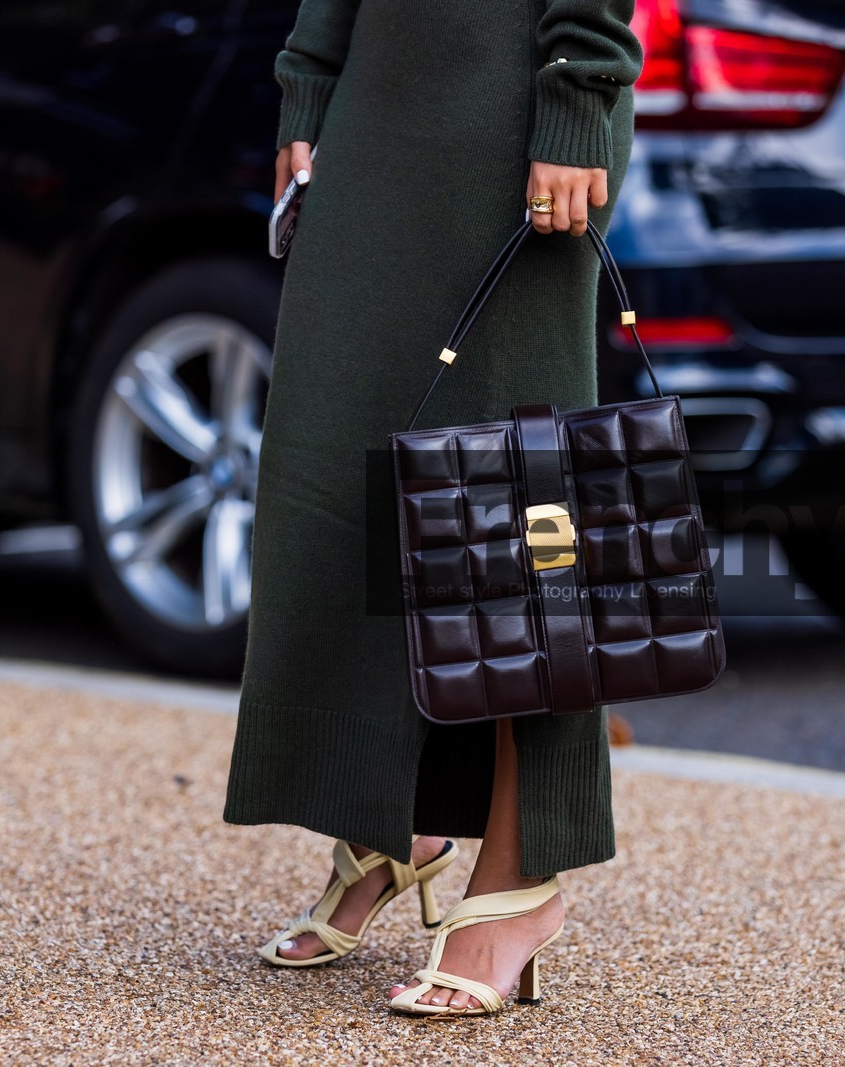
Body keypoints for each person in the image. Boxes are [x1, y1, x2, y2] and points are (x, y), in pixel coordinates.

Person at [223, 0, 642, 1018]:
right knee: (342, 466)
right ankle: (393, 809)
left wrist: (577, 104)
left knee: (506, 507)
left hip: (509, 124)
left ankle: (518, 871)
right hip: (375, 118)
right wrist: (309, 87)